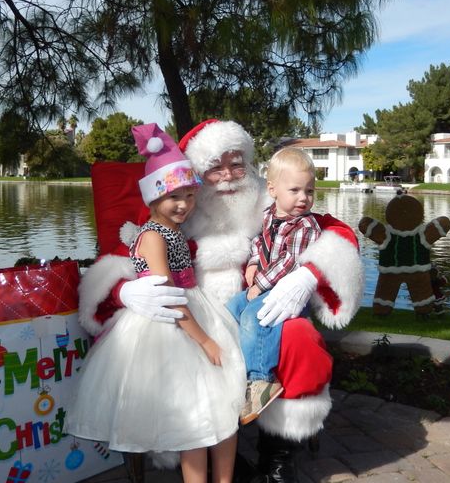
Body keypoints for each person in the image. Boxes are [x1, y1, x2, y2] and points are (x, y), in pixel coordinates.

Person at [78, 119, 364, 483]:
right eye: (214, 166)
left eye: (236, 162)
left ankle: (277, 453)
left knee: (296, 336)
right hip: (199, 317)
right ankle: (201, 451)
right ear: (196, 173)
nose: (227, 175)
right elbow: (124, 256)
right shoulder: (178, 207)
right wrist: (124, 290)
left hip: (262, 308)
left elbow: (335, 232)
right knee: (183, 360)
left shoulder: (272, 198)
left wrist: (308, 275)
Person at [68, 123, 245, 483]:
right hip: (172, 322)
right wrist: (206, 340)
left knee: (224, 405)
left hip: (197, 308)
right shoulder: (152, 236)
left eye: (189, 196)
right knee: (195, 417)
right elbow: (169, 296)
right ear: (152, 198)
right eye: (173, 197)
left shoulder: (176, 231)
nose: (183, 205)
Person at [226, 148, 321, 425]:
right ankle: (233, 369)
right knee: (230, 309)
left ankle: (260, 380)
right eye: (295, 190)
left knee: (255, 318)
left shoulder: (306, 226)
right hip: (263, 282)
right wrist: (254, 262)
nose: (304, 198)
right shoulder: (269, 215)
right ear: (273, 189)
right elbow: (259, 242)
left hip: (284, 292)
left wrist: (259, 283)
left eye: (310, 191)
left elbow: (290, 262)